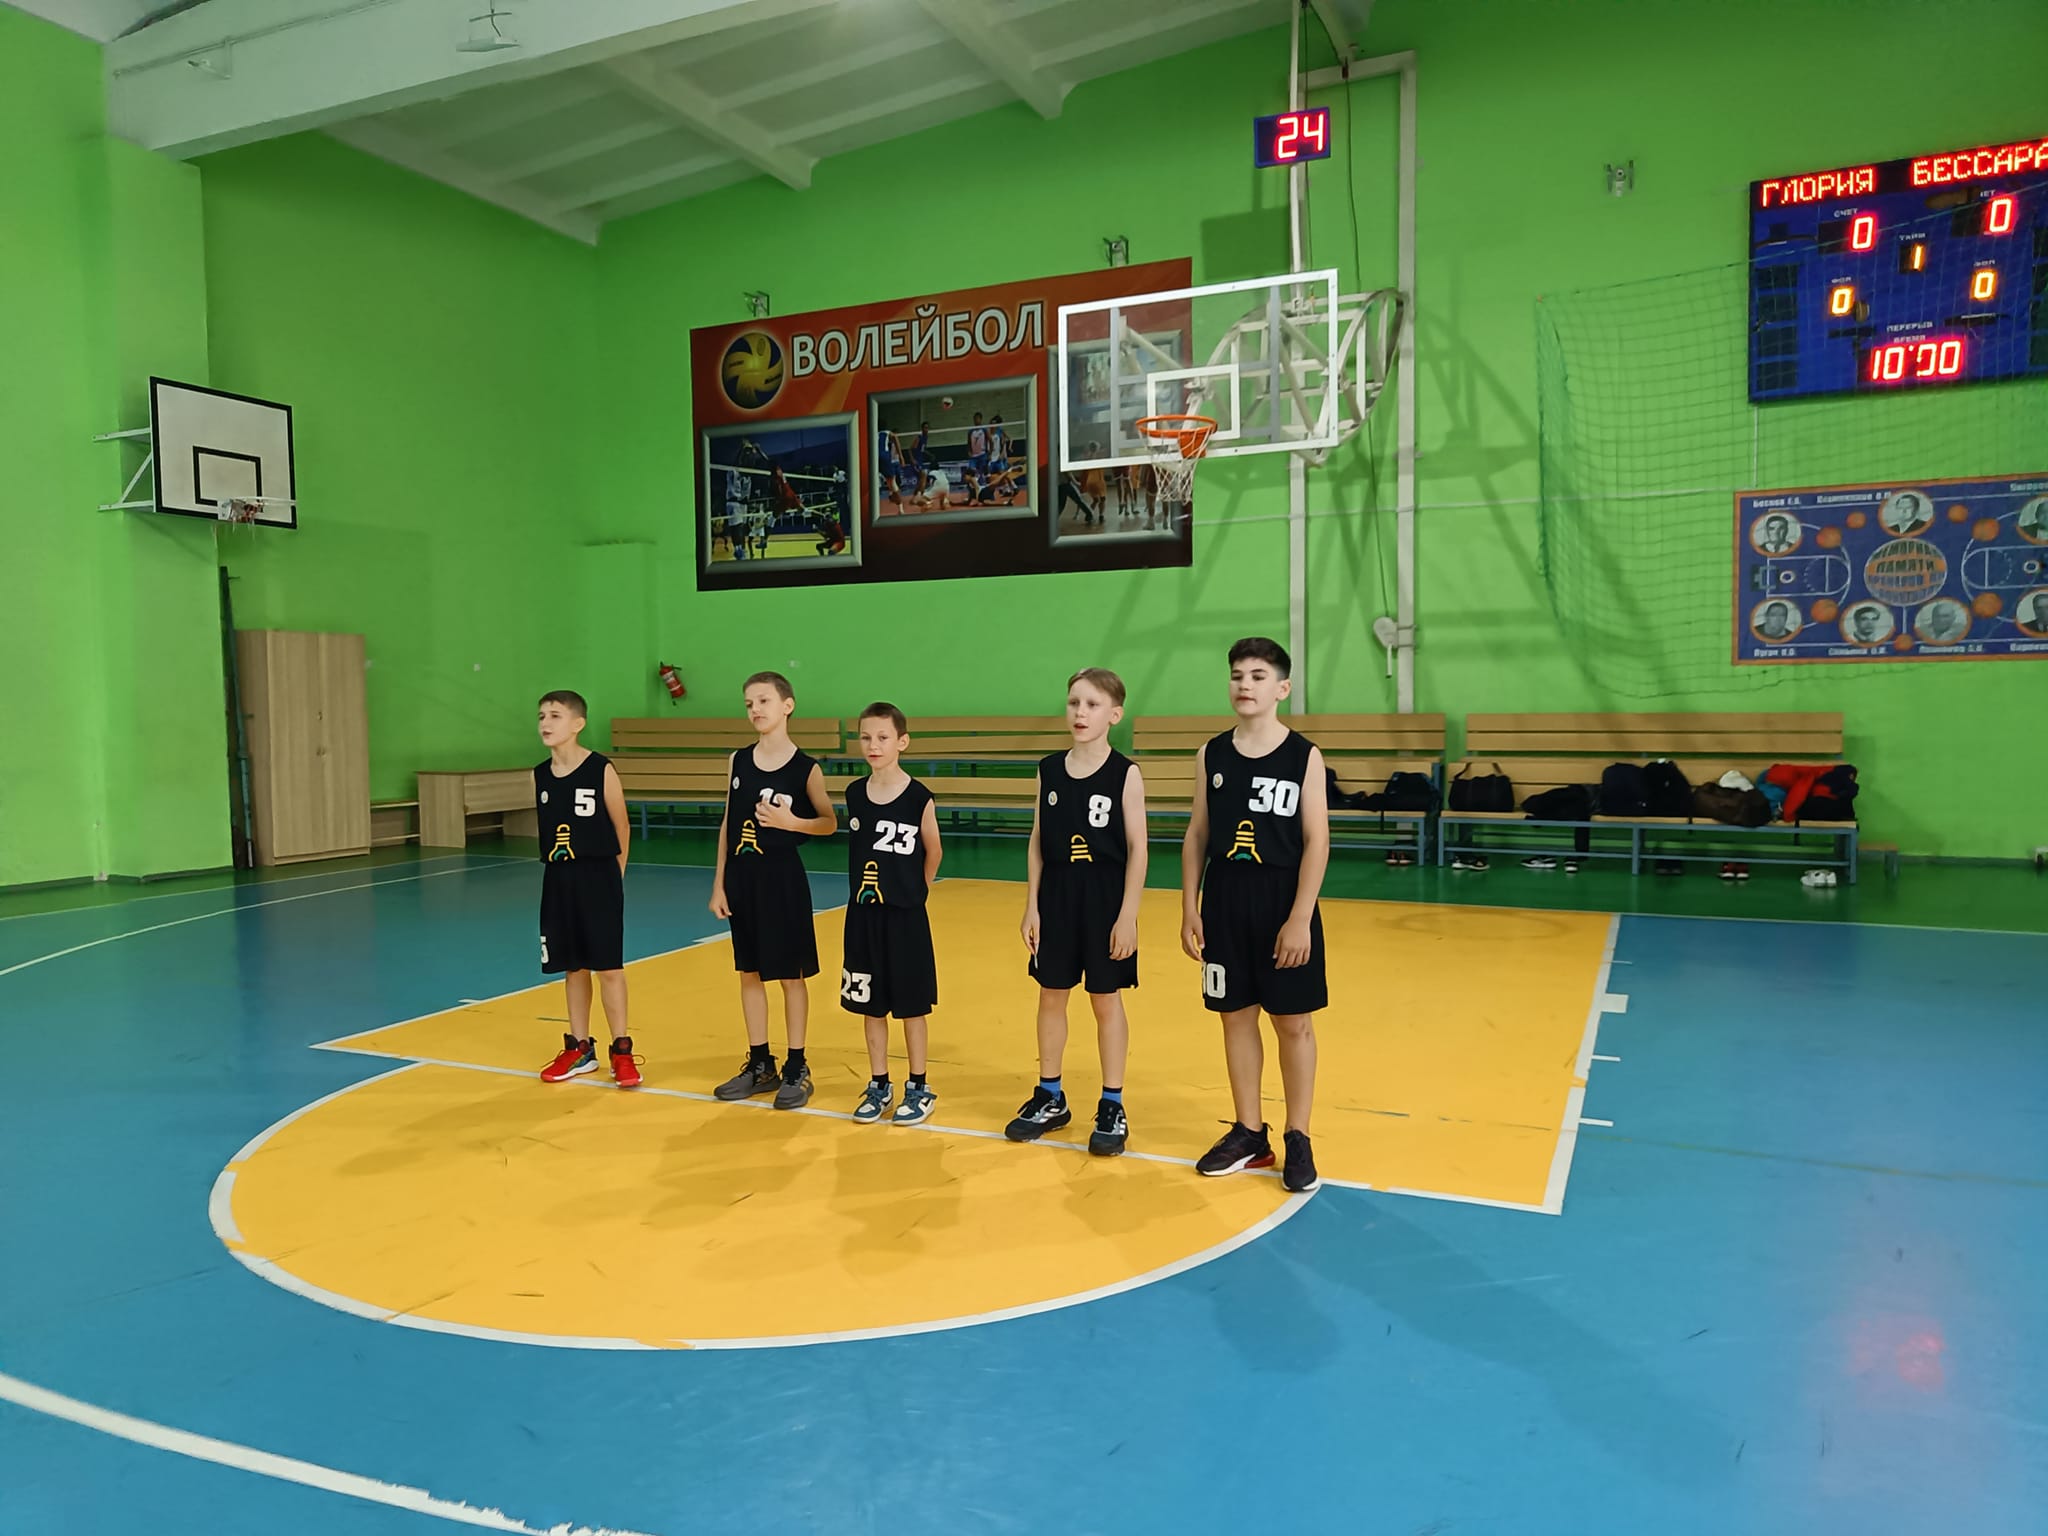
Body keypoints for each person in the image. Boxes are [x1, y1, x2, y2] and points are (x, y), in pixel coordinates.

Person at [1180, 637, 1328, 1194]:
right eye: (1238, 675)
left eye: (1258, 676)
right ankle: (1249, 1133)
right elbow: (1197, 834)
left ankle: (1298, 1135)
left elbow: (1317, 841)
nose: (1245, 684)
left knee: (1293, 1022)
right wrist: (1190, 906)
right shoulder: (1212, 754)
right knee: (1235, 1016)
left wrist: (1300, 917)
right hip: (1225, 901)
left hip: (1283, 899)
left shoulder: (1304, 756)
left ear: (1282, 688)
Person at [1008, 668, 1148, 1156]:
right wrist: (1032, 905)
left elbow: (1139, 847)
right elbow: (1037, 840)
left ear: (1114, 715)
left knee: (1105, 999)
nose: (1080, 713)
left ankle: (1112, 1102)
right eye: (1074, 703)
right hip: (1057, 896)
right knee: (1051, 994)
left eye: (1092, 704)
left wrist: (1128, 915)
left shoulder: (1125, 773)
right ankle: (1050, 1095)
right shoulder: (1048, 769)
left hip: (1105, 898)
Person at [709, 672, 838, 1109]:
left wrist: (793, 823)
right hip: (741, 880)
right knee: (749, 972)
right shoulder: (738, 761)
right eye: (749, 703)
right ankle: (760, 1062)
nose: (755, 710)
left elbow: (829, 822)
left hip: (782, 881)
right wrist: (719, 883)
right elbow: (728, 822)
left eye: (763, 700)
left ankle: (797, 1065)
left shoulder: (806, 768)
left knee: (789, 975)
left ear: (787, 705)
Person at [842, 703, 944, 1125]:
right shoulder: (854, 794)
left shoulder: (918, 797)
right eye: (866, 737)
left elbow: (934, 850)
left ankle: (918, 1087)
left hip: (905, 917)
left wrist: (916, 891)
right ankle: (879, 1083)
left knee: (911, 1005)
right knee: (871, 1004)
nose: (873, 745)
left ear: (902, 742)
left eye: (882, 737)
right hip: (863, 917)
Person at [535, 690, 638, 1088]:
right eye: (542, 716)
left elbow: (622, 825)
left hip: (599, 876)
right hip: (558, 878)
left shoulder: (600, 768)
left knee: (608, 968)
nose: (546, 723)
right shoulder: (540, 774)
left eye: (555, 715)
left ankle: (621, 1050)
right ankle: (579, 1048)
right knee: (572, 966)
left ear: (577, 724)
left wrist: (615, 875)